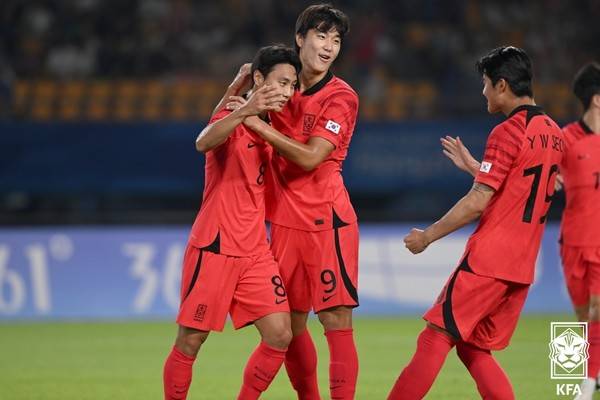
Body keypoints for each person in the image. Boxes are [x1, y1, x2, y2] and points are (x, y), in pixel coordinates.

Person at [388, 46, 564, 399]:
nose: (483, 92)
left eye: (485, 83)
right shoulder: (554, 132)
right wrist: (476, 167)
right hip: (522, 265)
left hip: (489, 260)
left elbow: (477, 202)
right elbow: (520, 187)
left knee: (435, 336)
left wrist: (427, 236)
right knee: (473, 347)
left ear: (502, 85)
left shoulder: (507, 131)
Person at [441, 62, 600, 400]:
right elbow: (523, 182)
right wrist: (475, 167)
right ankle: (582, 379)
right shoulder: (566, 138)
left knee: (598, 311)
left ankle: (586, 386)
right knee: (582, 317)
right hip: (573, 241)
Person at [224, 4, 359, 399]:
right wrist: (238, 90)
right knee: (291, 325)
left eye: (336, 40)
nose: (329, 47)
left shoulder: (341, 97)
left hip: (327, 221)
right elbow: (221, 121)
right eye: (321, 36)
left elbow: (312, 158)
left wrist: (255, 122)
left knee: (335, 319)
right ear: (300, 38)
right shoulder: (280, 85)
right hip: (283, 223)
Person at [162, 44, 301, 400]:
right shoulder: (234, 115)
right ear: (260, 79)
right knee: (191, 341)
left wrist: (240, 91)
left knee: (280, 334)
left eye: (292, 85)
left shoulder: (272, 123)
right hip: (215, 245)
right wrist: (243, 106)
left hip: (255, 250)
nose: (287, 92)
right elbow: (203, 142)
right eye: (281, 82)